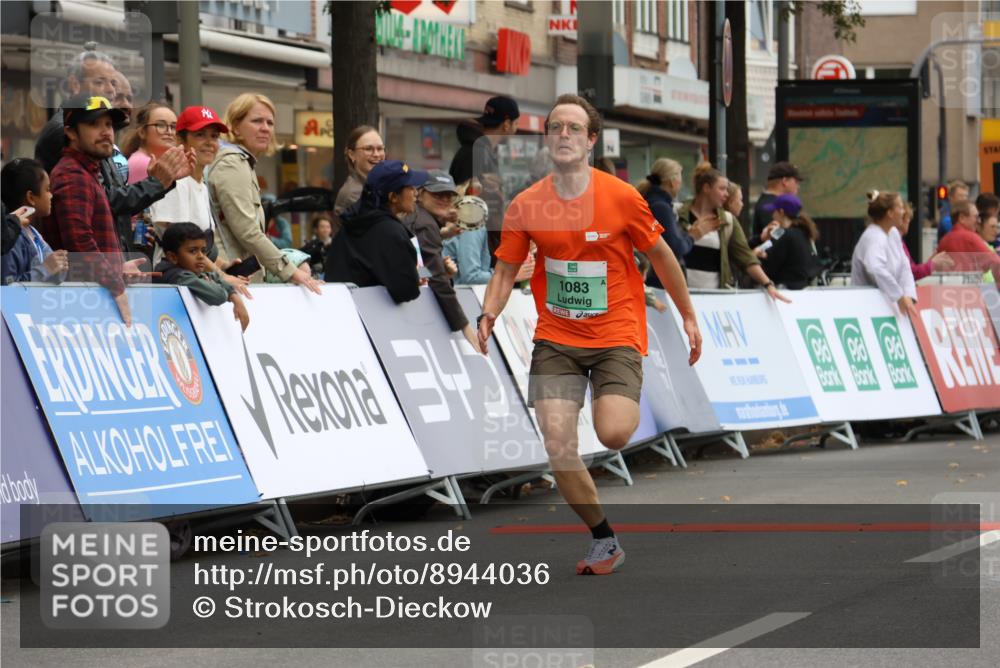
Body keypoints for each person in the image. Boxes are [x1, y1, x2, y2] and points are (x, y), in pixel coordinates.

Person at [477, 94, 703, 576]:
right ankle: (603, 539)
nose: (563, 134)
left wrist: (687, 315)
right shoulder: (526, 204)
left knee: (615, 432)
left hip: (616, 332)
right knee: (557, 445)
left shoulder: (620, 197)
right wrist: (489, 314)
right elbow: (505, 269)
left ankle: (613, 398)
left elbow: (662, 257)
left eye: (573, 128)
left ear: (591, 141)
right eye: (555, 126)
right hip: (556, 338)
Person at [35, 48, 190, 256]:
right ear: (74, 85)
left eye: (113, 83)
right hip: (85, 276)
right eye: (100, 82)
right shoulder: (62, 134)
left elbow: (109, 202)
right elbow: (99, 205)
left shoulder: (98, 140)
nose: (110, 90)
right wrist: (155, 184)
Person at [41, 94, 146, 325]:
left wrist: (118, 266)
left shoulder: (85, 171)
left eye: (108, 124)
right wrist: (116, 284)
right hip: (80, 308)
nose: (106, 131)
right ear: (70, 132)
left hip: (90, 300)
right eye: (93, 124)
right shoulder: (72, 174)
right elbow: (80, 244)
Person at [208, 93, 320, 294]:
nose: (265, 128)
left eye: (270, 122)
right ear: (234, 126)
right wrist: (292, 271)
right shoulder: (233, 162)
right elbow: (248, 231)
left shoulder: (239, 161)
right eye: (257, 121)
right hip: (232, 281)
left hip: (236, 278)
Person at [148, 105, 248, 298]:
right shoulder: (175, 182)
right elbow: (182, 245)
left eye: (214, 136)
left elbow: (200, 247)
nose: (210, 143)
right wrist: (221, 277)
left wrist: (224, 267)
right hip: (174, 289)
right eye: (200, 135)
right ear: (181, 140)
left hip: (196, 285)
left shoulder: (201, 184)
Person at [678, 163, 789, 300]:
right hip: (677, 297)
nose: (726, 194)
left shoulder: (728, 221)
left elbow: (746, 257)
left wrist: (768, 284)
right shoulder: (676, 214)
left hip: (712, 299)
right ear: (706, 188)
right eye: (722, 189)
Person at [324, 160, 425, 303]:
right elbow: (407, 291)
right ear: (393, 197)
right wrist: (415, 281)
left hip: (343, 314)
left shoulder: (352, 223)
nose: (416, 193)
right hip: (373, 320)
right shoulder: (391, 232)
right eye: (410, 187)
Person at [403, 170, 482, 351]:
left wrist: (441, 273)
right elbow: (436, 279)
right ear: (420, 194)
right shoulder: (425, 223)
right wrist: (466, 327)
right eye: (438, 194)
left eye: (449, 195)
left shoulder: (423, 219)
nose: (444, 199)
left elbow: (422, 269)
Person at [449, 96, 520, 265]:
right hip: (475, 249)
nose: (517, 128)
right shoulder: (476, 153)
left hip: (483, 244)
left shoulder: (480, 151)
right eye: (516, 123)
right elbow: (462, 201)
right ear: (507, 123)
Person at [154, 223, 249, 332]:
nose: (201, 256)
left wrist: (235, 298)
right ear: (173, 257)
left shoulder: (188, 271)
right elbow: (219, 296)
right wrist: (218, 287)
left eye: (203, 251)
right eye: (193, 251)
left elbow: (213, 276)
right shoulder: (176, 275)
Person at [851, 190, 918, 318]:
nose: (904, 212)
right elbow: (876, 268)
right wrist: (899, 296)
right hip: (866, 309)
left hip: (888, 308)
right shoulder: (872, 237)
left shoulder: (893, 233)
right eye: (900, 207)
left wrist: (908, 294)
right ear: (890, 213)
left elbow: (905, 266)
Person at [1, 158, 69, 284]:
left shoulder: (33, 233)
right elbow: (7, 290)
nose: (51, 195)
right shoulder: (10, 239)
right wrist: (46, 269)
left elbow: (51, 273)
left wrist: (59, 266)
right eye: (47, 189)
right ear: (31, 197)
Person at [636, 158, 695, 286]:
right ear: (672, 182)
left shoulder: (647, 200)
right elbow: (675, 247)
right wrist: (693, 236)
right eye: (680, 178)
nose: (681, 184)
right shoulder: (661, 207)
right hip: (659, 281)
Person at [756, 194, 820, 290]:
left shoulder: (785, 235)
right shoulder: (803, 232)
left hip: (786, 290)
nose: (772, 215)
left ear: (781, 212)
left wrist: (759, 255)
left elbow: (770, 268)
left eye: (774, 211)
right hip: (803, 288)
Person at [937, 200, 1000, 282]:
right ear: (962, 218)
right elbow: (995, 261)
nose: (978, 221)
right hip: (971, 290)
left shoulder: (944, 240)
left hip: (947, 291)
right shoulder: (970, 237)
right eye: (976, 217)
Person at [334, 125, 385, 215]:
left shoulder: (375, 186)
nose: (376, 154)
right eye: (368, 149)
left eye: (380, 148)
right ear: (351, 154)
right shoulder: (353, 194)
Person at [122, 103, 177, 184]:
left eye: (173, 126)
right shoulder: (141, 162)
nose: (169, 132)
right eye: (161, 125)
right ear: (142, 132)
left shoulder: (151, 160)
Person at [751, 162, 803, 247]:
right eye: (796, 182)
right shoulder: (770, 207)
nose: (798, 186)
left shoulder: (768, 202)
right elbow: (776, 238)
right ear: (785, 181)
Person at [898, 201, 951, 281]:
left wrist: (930, 263)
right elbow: (912, 273)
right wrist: (933, 263)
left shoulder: (899, 241)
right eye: (908, 218)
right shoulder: (897, 243)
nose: (909, 222)